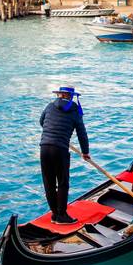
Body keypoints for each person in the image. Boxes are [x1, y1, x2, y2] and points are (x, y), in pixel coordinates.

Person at [39, 86, 90, 224]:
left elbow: (41, 122)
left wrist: (52, 133)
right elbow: (81, 133)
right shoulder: (74, 111)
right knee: (62, 182)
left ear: (60, 95)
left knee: (48, 183)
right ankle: (61, 215)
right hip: (59, 149)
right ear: (71, 96)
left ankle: (55, 214)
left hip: (44, 147)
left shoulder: (50, 106)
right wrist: (85, 152)